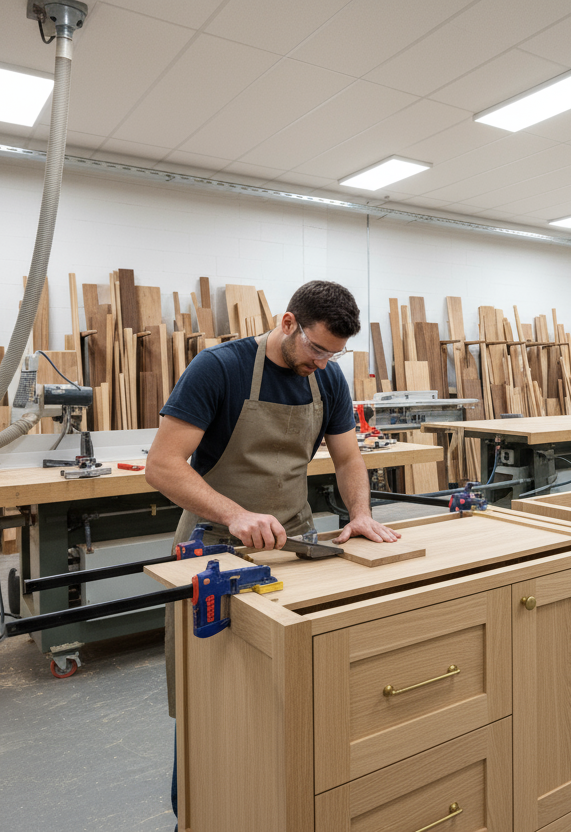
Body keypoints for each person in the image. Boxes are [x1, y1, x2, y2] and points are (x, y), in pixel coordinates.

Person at [145, 280, 400, 825]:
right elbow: (163, 466)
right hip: (215, 549)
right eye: (317, 348)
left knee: (289, 689)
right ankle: (193, 811)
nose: (324, 362)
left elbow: (349, 459)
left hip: (295, 545)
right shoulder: (219, 369)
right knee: (207, 696)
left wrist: (359, 514)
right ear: (288, 323)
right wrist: (235, 515)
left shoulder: (326, 378)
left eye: (336, 354)